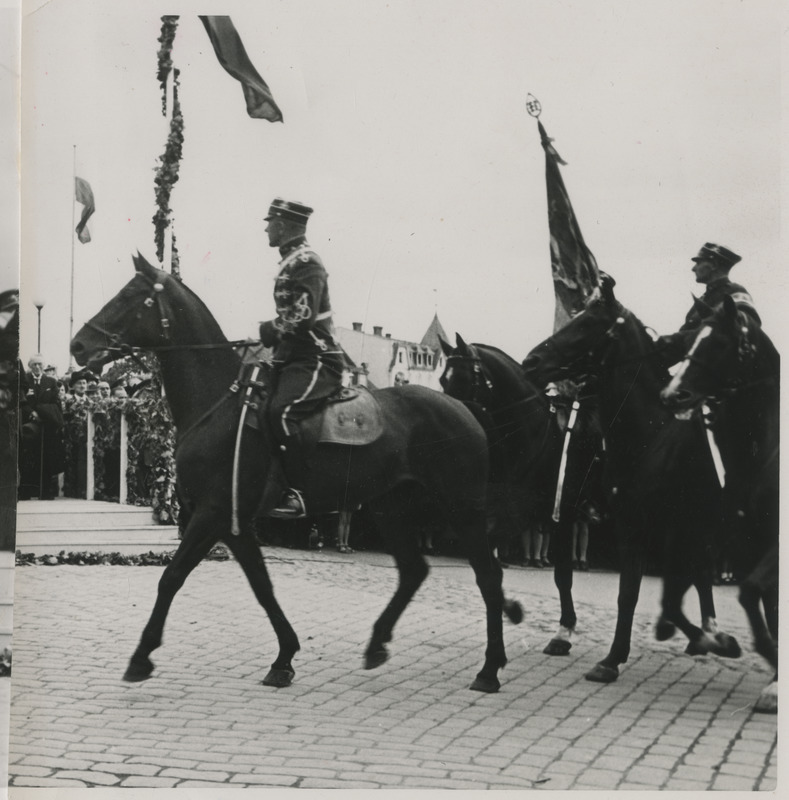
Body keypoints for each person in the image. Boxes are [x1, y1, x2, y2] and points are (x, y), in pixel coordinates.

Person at [258, 198, 345, 518]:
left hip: (318, 358)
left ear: (283, 225)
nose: (266, 227)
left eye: (270, 222)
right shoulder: (291, 261)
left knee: (282, 412)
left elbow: (304, 315)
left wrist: (270, 328)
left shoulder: (307, 262)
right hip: (294, 357)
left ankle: (299, 491)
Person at [659, 243, 760, 366]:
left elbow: (742, 334)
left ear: (714, 265)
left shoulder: (736, 293)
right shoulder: (704, 298)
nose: (693, 268)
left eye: (698, 263)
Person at [18, 354, 65, 500]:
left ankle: (45, 491)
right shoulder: (25, 380)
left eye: (40, 365)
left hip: (47, 426)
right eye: (34, 365)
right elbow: (21, 401)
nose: (37, 367)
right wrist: (32, 413)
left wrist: (42, 412)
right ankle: (26, 490)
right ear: (29, 366)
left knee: (47, 457)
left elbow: (56, 403)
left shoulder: (51, 381)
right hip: (29, 425)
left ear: (43, 366)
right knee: (27, 456)